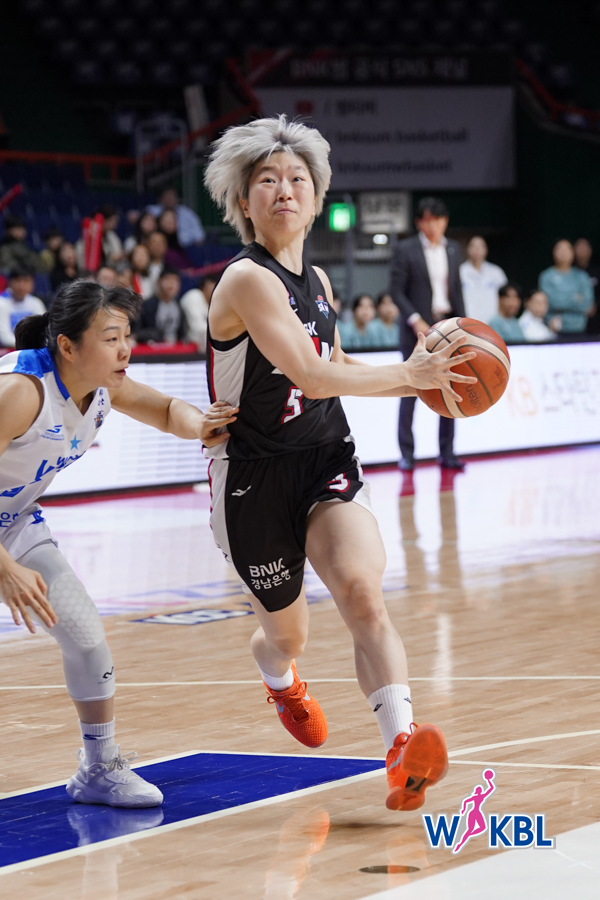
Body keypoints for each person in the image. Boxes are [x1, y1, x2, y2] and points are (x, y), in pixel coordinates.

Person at [203, 116, 477, 811]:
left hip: (324, 454)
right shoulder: (245, 280)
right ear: (243, 201)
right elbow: (311, 374)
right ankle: (280, 678)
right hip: (253, 477)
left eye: (297, 179)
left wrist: (413, 378)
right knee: (286, 635)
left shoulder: (319, 278)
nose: (284, 190)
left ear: (317, 198)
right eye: (267, 180)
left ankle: (401, 746)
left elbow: (334, 362)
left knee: (361, 592)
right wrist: (411, 377)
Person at [0, 279, 237, 807]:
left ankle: (99, 767)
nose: (125, 348)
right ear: (67, 346)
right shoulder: (20, 392)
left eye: (127, 335)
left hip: (11, 521)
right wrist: (5, 569)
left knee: (86, 635)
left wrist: (202, 425)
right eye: (111, 338)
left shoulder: (101, 387)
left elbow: (167, 409)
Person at [390, 196, 466, 472]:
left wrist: (464, 325)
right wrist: (415, 320)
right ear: (419, 223)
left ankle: (447, 452)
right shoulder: (405, 249)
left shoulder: (454, 249)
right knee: (410, 390)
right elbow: (396, 291)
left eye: (438, 220)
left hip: (447, 326)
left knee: (450, 388)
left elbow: (456, 290)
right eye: (428, 220)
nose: (433, 225)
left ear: (445, 221)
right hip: (417, 330)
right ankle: (407, 454)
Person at [538, 239, 593, 334]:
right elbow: (550, 302)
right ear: (554, 252)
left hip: (579, 329)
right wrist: (574, 297)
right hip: (553, 329)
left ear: (573, 253)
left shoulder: (582, 276)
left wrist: (560, 296)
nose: (563, 253)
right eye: (560, 249)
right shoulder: (546, 276)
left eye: (567, 249)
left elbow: (586, 304)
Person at [459, 236, 507, 324]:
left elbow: (504, 298)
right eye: (473, 246)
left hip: (492, 323)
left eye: (480, 246)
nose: (477, 249)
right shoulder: (460, 272)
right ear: (467, 249)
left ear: (486, 249)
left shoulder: (496, 272)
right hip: (467, 322)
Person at [135, 265, 187, 344]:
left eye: (175, 280)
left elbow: (182, 334)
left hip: (175, 348)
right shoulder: (147, 305)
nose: (171, 284)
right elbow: (138, 333)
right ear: (159, 282)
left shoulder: (180, 306)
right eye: (167, 279)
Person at [0, 267, 46, 348]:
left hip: (32, 348)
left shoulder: (36, 303)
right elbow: (5, 338)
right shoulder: (2, 303)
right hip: (9, 350)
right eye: (18, 281)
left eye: (26, 281)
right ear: (10, 282)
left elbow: (44, 331)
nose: (22, 286)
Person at [76, 204, 125, 271]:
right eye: (112, 220)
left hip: (109, 270)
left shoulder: (111, 236)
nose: (115, 224)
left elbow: (117, 253)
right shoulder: (85, 237)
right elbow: (82, 261)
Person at [179, 274, 217, 352]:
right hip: (185, 343)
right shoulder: (194, 296)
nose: (214, 288)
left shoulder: (215, 303)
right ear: (204, 286)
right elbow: (197, 328)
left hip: (201, 347)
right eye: (212, 284)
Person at [573, 237, 600, 336]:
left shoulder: (597, 271)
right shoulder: (570, 272)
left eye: (585, 247)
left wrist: (596, 305)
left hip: (595, 318)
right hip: (574, 319)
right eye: (579, 247)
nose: (582, 250)